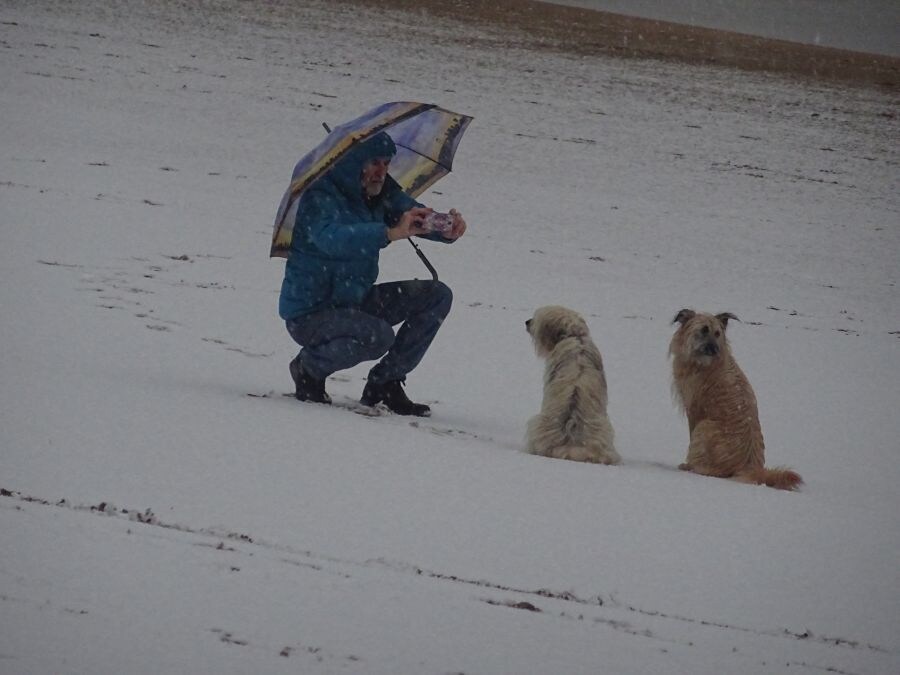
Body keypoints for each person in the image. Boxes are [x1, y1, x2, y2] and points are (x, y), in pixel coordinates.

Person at [279, 131, 467, 416]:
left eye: (387, 163)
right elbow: (331, 239)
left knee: (436, 296)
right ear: (353, 164)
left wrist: (445, 229)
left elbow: (412, 216)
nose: (382, 171)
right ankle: (308, 368)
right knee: (378, 336)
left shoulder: (382, 193)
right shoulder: (319, 197)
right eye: (374, 163)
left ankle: (385, 382)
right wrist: (388, 232)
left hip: (355, 302)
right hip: (310, 313)